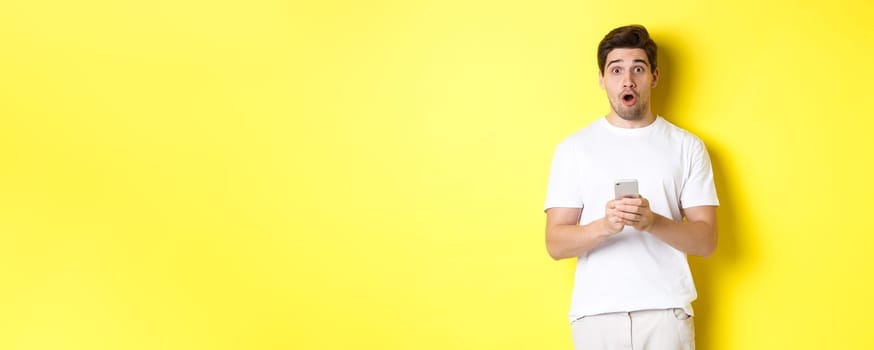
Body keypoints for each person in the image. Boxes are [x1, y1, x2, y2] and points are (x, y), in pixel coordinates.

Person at [543, 24, 719, 350]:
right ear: (601, 79)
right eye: (616, 70)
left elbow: (706, 241)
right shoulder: (574, 149)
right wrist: (605, 226)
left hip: (666, 314)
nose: (627, 80)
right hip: (596, 317)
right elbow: (555, 243)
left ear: (654, 77)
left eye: (638, 68)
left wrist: (652, 221)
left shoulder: (686, 147)